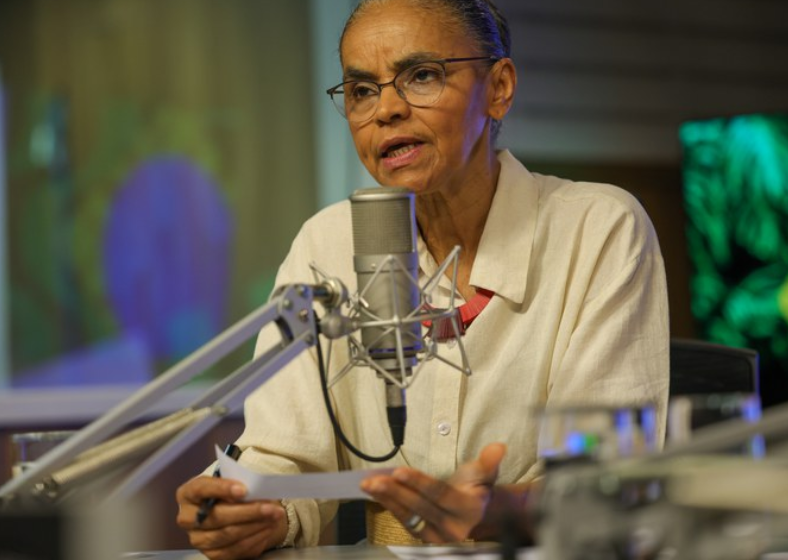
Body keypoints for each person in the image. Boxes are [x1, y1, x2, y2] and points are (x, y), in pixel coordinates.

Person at [175, 0, 670, 557]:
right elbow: (281, 458)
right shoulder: (328, 243)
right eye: (362, 90)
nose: (386, 109)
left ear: (499, 87)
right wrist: (254, 513)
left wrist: (490, 511)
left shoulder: (597, 229)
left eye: (422, 76)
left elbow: (611, 487)